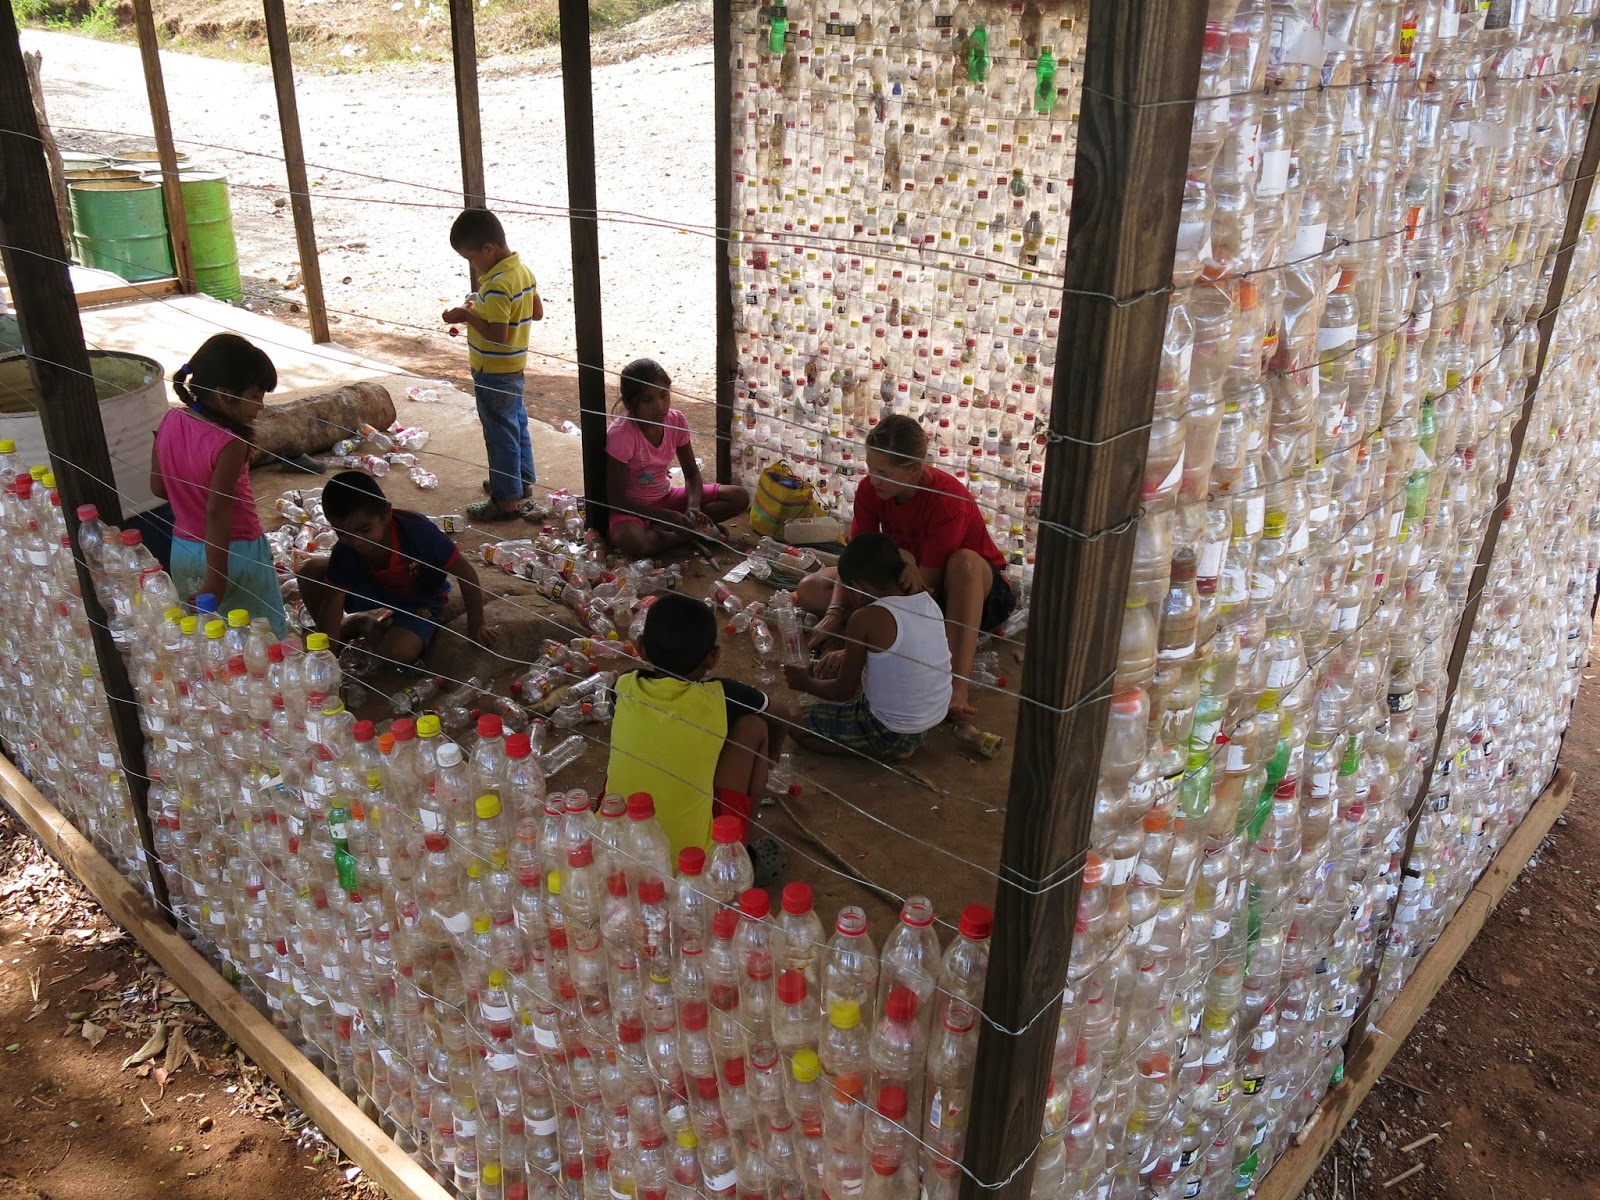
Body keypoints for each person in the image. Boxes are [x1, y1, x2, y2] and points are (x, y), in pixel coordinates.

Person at [796, 414, 1015, 719]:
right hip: (904, 580)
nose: (875, 480)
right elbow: (856, 563)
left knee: (963, 562)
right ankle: (872, 637)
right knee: (811, 588)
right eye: (872, 470)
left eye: (885, 473)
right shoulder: (870, 491)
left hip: (962, 594)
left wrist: (858, 647)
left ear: (914, 469)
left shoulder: (946, 500)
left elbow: (924, 595)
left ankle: (956, 686)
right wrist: (835, 613)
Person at [605, 592, 788, 883]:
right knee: (755, 727)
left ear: (640, 647)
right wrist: (772, 760)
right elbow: (780, 714)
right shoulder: (721, 695)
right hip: (694, 873)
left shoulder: (622, 686)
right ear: (714, 656)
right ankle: (736, 855)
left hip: (613, 855)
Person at [150, 333, 287, 636]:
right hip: (234, 554)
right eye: (255, 396)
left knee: (209, 639)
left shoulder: (170, 421)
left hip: (183, 550)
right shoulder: (230, 444)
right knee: (260, 641)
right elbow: (217, 513)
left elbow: (159, 488)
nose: (261, 406)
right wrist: (217, 578)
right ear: (225, 394)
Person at [296, 470, 494, 665]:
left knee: (400, 652)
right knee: (311, 571)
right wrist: (324, 658)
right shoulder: (346, 549)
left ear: (386, 514)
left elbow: (466, 573)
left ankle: (364, 623)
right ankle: (334, 637)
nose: (356, 542)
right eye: (343, 533)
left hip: (419, 595)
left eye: (365, 529)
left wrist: (477, 623)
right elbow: (333, 600)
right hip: (373, 587)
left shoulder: (418, 532)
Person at [785, 532, 952, 761]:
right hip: (932, 716)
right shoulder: (926, 599)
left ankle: (882, 749)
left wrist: (804, 682)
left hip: (892, 730)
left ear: (856, 587)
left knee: (795, 722)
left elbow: (843, 690)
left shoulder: (865, 618)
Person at [442, 207, 544, 524]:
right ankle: (518, 482)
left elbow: (498, 335)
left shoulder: (498, 283)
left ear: (489, 249)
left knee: (499, 434)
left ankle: (505, 500)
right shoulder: (522, 271)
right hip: (514, 368)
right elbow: (536, 312)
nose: (473, 266)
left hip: (494, 372)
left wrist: (467, 315)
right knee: (516, 425)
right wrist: (481, 305)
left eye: (472, 258)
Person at [605, 358, 749, 556]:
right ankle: (689, 534)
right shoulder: (622, 434)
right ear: (630, 403)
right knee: (631, 541)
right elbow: (616, 499)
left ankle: (676, 531)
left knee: (738, 496)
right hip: (634, 509)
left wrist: (693, 508)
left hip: (666, 497)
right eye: (648, 400)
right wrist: (664, 516)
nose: (660, 407)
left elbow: (691, 473)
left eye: (664, 395)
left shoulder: (676, 420)